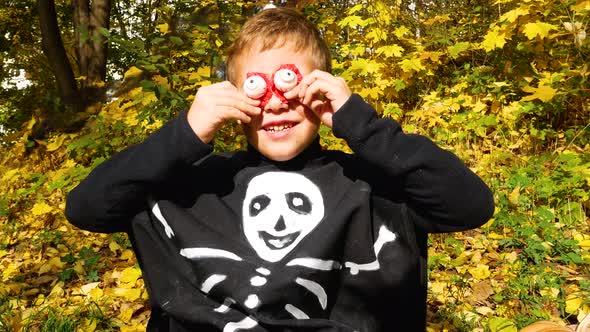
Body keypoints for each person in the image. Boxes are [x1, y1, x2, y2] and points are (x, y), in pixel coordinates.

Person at [66, 7, 494, 332]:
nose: (274, 102)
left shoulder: (370, 184)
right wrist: (185, 133)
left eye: (289, 84)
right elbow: (86, 208)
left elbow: (470, 205)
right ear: (233, 96)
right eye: (256, 85)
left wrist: (359, 123)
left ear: (321, 88)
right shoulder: (197, 185)